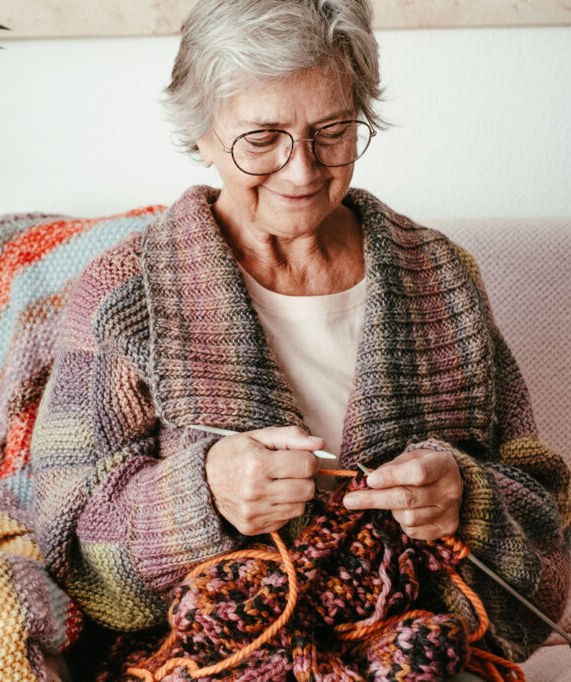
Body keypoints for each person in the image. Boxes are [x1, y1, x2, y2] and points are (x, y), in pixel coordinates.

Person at [29, 0, 571, 677]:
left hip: (419, 653)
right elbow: (66, 538)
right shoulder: (123, 294)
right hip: (216, 655)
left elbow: (546, 537)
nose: (301, 171)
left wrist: (467, 499)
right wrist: (201, 497)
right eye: (261, 139)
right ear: (199, 134)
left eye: (332, 131)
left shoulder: (440, 277)